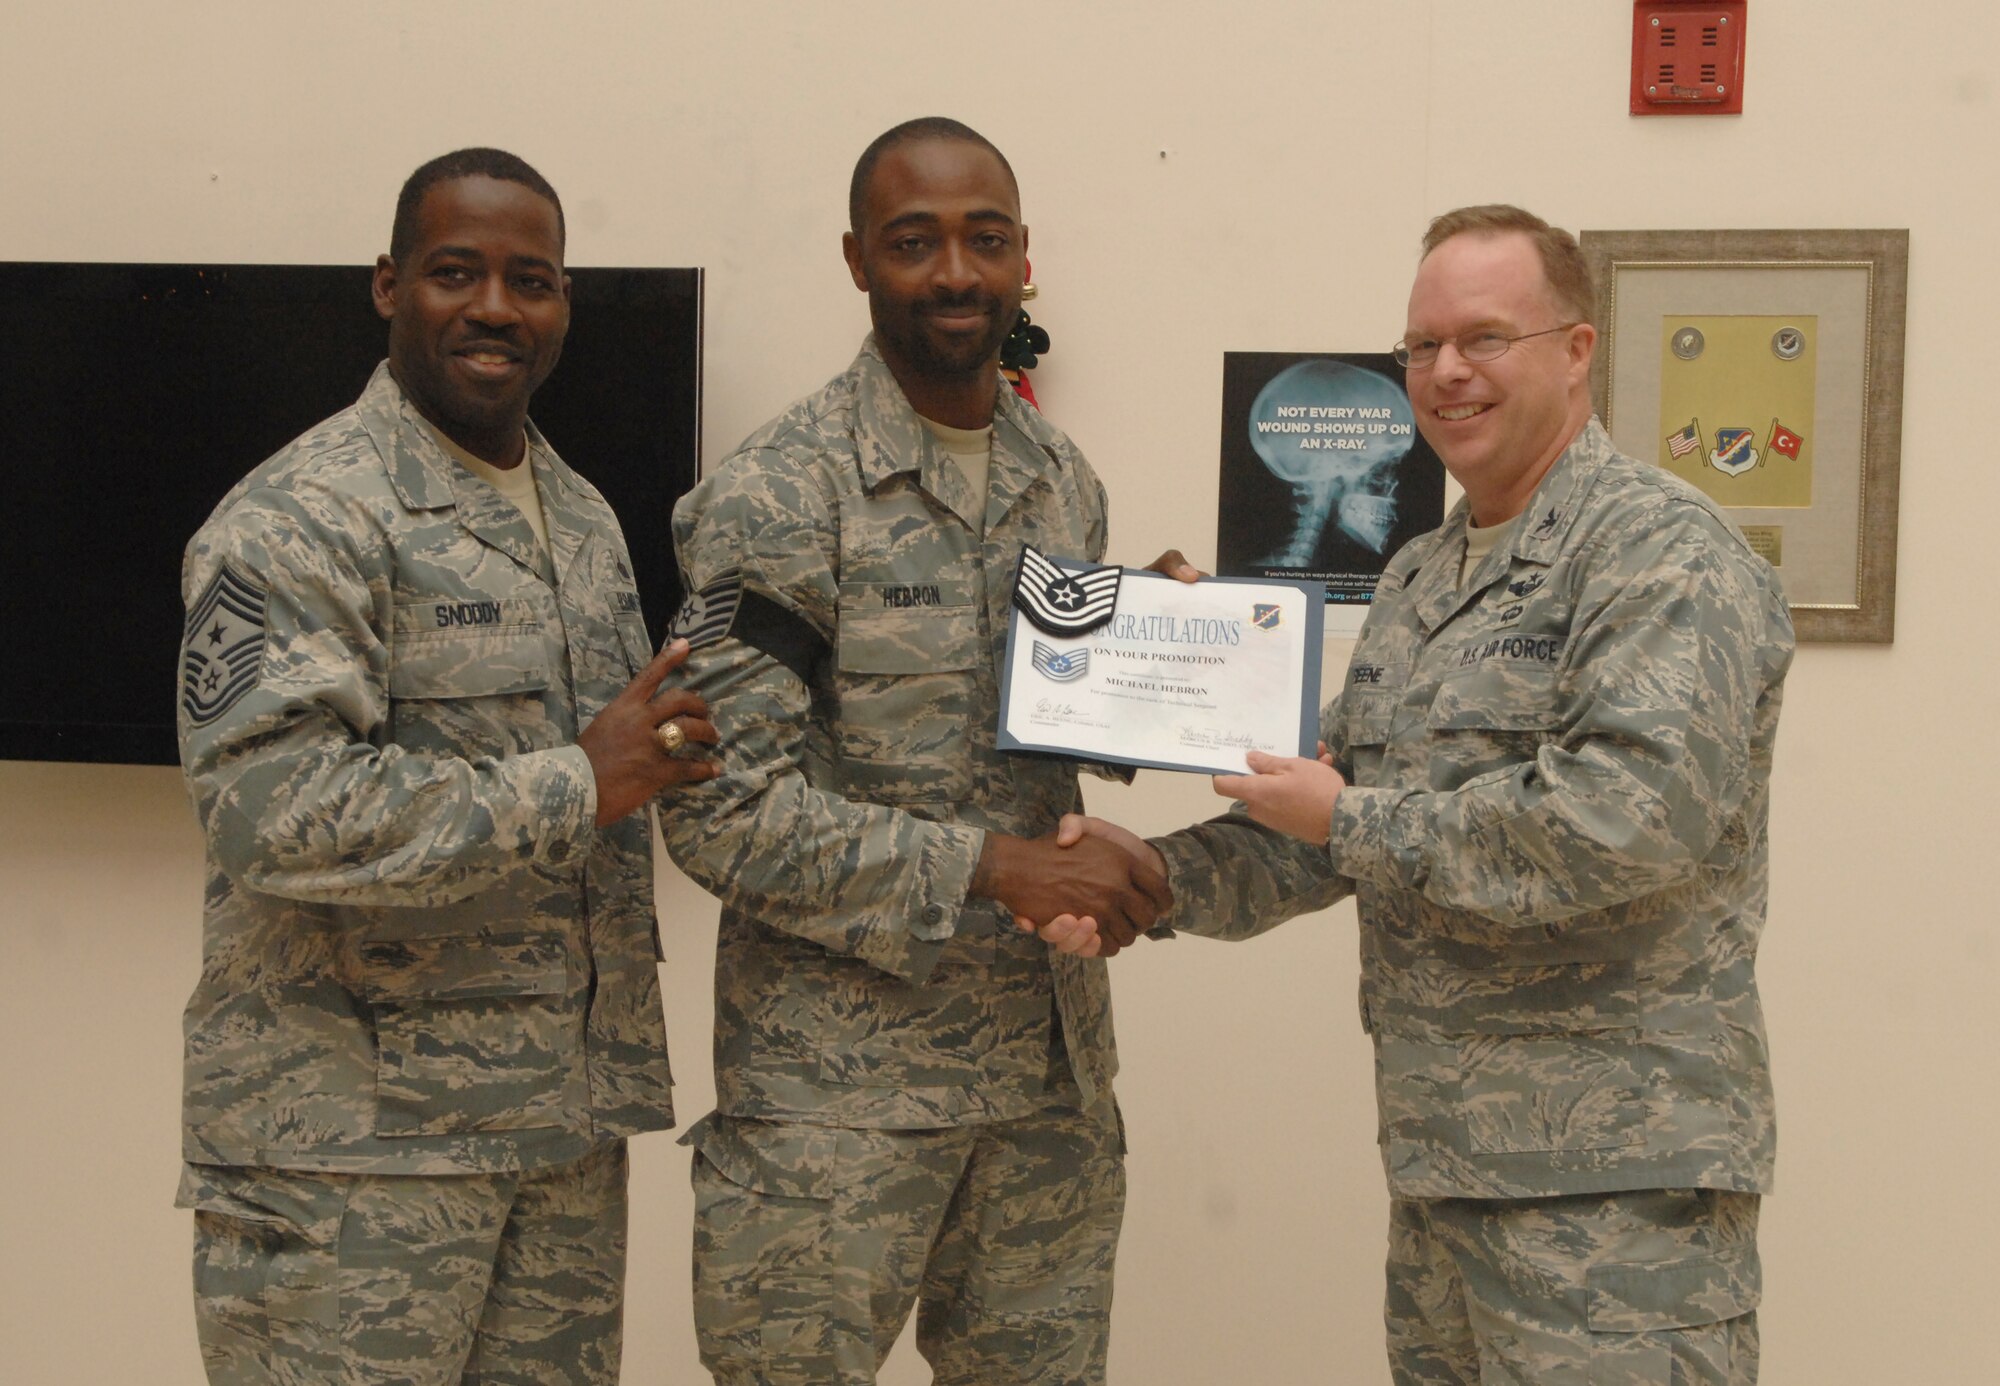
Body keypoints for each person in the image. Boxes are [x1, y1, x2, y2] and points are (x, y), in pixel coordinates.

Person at [1035, 205, 1793, 1383]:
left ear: (1576, 349)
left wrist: (1344, 816)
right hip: (1444, 1175)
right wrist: (1149, 878)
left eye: (1483, 337)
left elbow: (1625, 826)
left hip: (1615, 1191)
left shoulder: (1656, 552)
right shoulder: (1421, 576)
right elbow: (1328, 821)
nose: (1444, 373)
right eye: (1420, 345)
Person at [174, 147, 717, 1386]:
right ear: (387, 286)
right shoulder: (299, 517)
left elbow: (625, 767)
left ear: (563, 303)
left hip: (557, 1141)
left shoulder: (576, 515)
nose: (494, 308)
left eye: (530, 280)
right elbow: (265, 809)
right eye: (454, 272)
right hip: (352, 1161)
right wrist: (578, 781)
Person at [662, 117, 1179, 1385]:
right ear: (856, 260)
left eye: (984, 240)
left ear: (1022, 259)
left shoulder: (1061, 477)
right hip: (836, 1107)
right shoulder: (778, 496)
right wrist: (995, 869)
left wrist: (1168, 664)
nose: (955, 273)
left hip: (1044, 1089)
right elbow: (719, 811)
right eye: (914, 243)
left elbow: (1028, 725)